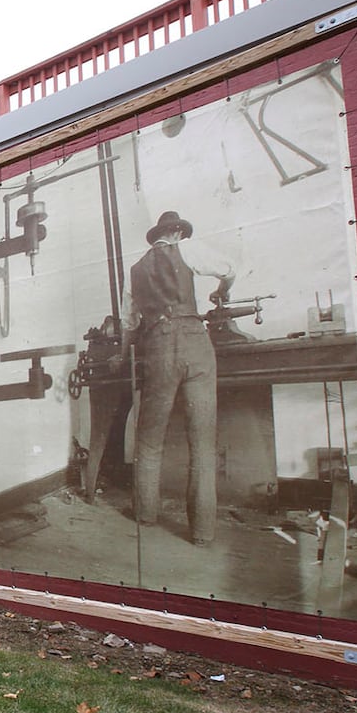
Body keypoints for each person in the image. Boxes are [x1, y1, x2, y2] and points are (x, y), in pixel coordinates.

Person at [128, 210, 236, 545]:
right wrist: (222, 291)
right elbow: (230, 269)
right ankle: (202, 534)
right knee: (202, 444)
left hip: (158, 346)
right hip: (195, 341)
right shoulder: (189, 250)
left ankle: (146, 516)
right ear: (177, 233)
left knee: (148, 440)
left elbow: (130, 323)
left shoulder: (134, 270)